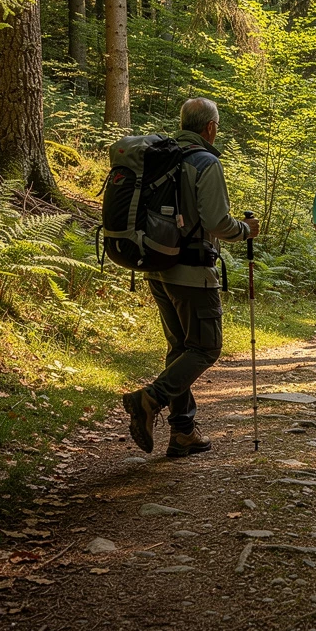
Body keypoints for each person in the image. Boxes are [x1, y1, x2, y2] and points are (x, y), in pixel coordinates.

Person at [121, 97, 259, 458]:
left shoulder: (161, 157)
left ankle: (183, 432)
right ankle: (149, 399)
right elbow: (218, 223)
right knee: (206, 347)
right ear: (210, 128)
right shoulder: (204, 162)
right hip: (191, 270)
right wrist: (246, 230)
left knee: (181, 347)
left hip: (156, 265)